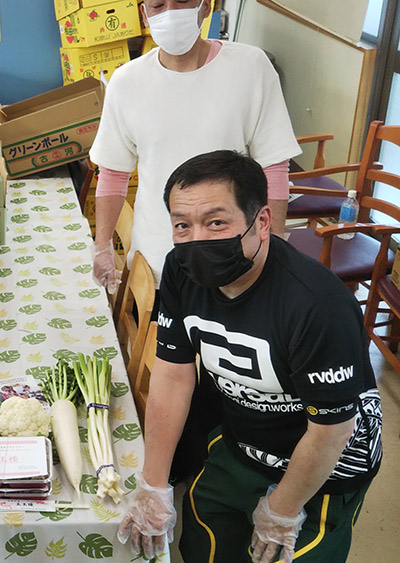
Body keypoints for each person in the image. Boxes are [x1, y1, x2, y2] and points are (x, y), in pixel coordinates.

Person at [118, 151, 382, 562]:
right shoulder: (180, 271)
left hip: (328, 465)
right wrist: (154, 484)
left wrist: (282, 510)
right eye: (182, 225)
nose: (197, 239)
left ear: (261, 222)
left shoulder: (315, 304)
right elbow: (173, 377)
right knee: (202, 545)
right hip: (242, 440)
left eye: (216, 222)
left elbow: (331, 429)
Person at [88, 0, 301, 483]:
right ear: (143, 12)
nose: (169, 12)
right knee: (173, 372)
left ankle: (234, 471)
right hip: (163, 258)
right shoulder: (127, 82)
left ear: (205, 4)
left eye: (180, 0)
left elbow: (274, 168)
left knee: (233, 376)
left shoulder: (249, 67)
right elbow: (113, 175)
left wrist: (274, 246)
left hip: (236, 258)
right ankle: (176, 475)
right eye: (157, 4)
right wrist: (103, 245)